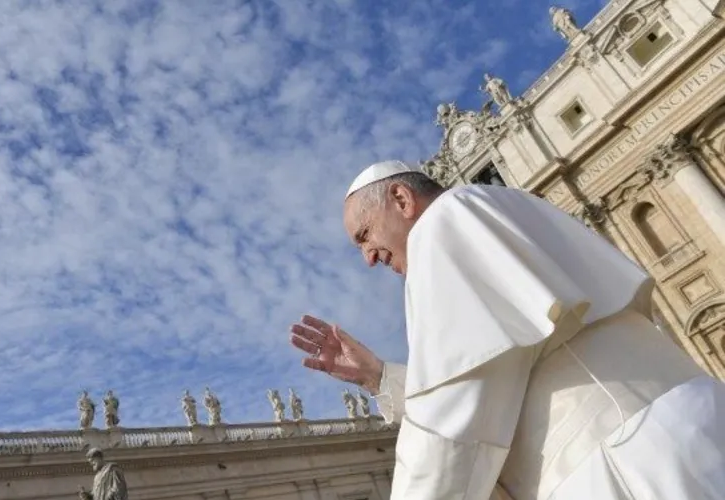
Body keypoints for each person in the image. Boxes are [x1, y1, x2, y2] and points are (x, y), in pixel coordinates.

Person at [290, 160, 725, 499]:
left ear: (402, 199)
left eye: (364, 235)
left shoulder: (442, 224)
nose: (368, 258)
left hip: (626, 462)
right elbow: (508, 371)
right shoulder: (495, 207)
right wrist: (379, 377)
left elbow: (455, 416)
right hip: (669, 432)